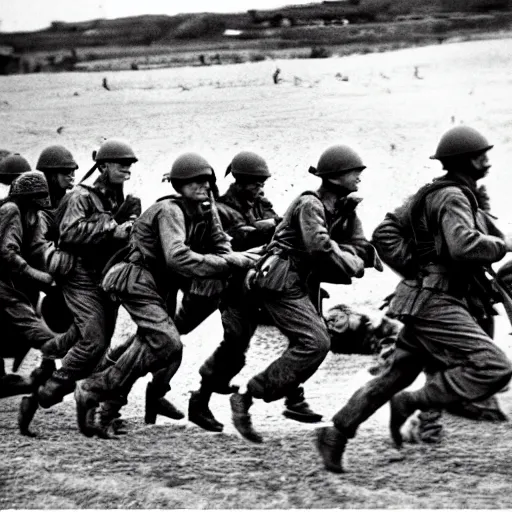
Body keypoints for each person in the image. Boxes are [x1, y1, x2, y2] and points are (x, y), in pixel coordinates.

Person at [316, 126, 512, 473]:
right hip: (436, 302)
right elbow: (463, 245)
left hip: (423, 299)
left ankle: (335, 434)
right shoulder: (453, 196)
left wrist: (418, 267)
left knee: (394, 376)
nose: (487, 161)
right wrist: (503, 245)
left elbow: (385, 232)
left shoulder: (436, 192)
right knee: (495, 366)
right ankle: (413, 403)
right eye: (482, 155)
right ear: (466, 160)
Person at [195, 145, 381, 442]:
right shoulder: (309, 203)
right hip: (268, 280)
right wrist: (353, 262)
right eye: (353, 171)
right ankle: (222, 398)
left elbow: (355, 244)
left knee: (309, 339)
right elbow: (318, 244)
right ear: (334, 176)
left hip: (291, 279)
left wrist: (357, 253)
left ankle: (276, 398)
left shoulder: (337, 206)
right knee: (248, 345)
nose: (359, 175)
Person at [73, 152, 258, 438]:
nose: (202, 185)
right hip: (136, 279)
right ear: (178, 184)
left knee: (149, 346)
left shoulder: (206, 210)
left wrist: (236, 259)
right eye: (193, 181)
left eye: (206, 180)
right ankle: (93, 388)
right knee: (167, 342)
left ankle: (105, 410)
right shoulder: (170, 210)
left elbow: (222, 246)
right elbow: (177, 257)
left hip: (161, 285)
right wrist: (233, 262)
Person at [34, 139, 140, 425]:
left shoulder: (117, 198)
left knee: (102, 343)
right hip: (78, 274)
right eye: (121, 164)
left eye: (130, 165)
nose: (127, 169)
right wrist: (112, 229)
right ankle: (54, 386)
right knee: (93, 339)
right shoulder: (81, 195)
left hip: (104, 273)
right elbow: (69, 233)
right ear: (103, 167)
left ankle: (93, 405)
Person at [17, 145, 80, 435]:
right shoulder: (34, 207)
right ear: (50, 175)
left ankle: (34, 395)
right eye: (65, 173)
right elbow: (38, 245)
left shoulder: (68, 201)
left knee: (58, 356)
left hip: (57, 280)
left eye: (73, 172)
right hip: (38, 280)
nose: (72, 177)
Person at [0, 170, 75, 401]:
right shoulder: (10, 210)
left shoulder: (33, 215)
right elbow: (7, 253)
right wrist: (38, 276)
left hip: (14, 283)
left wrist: (57, 270)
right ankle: (55, 368)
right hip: (5, 284)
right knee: (29, 324)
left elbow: (36, 249)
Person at [216, 151, 281, 251]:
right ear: (242, 182)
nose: (260, 190)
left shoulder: (260, 204)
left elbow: (279, 227)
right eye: (256, 185)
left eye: (262, 184)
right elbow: (236, 242)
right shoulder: (221, 210)